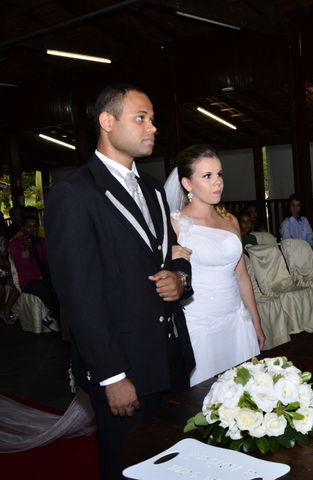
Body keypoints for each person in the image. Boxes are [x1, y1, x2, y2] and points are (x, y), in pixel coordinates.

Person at [45, 84, 195, 480]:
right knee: (125, 466)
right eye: (141, 118)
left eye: (153, 119)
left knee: (172, 460)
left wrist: (179, 279)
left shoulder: (151, 189)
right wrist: (111, 374)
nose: (153, 127)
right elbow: (79, 295)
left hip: (170, 357)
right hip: (124, 365)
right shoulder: (74, 194)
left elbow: (173, 253)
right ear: (107, 122)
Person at [165, 144, 265, 387]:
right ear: (187, 184)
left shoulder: (229, 220)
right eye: (207, 176)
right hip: (201, 326)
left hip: (236, 322)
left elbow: (241, 275)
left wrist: (256, 321)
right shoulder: (175, 225)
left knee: (245, 392)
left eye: (219, 174)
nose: (217, 182)